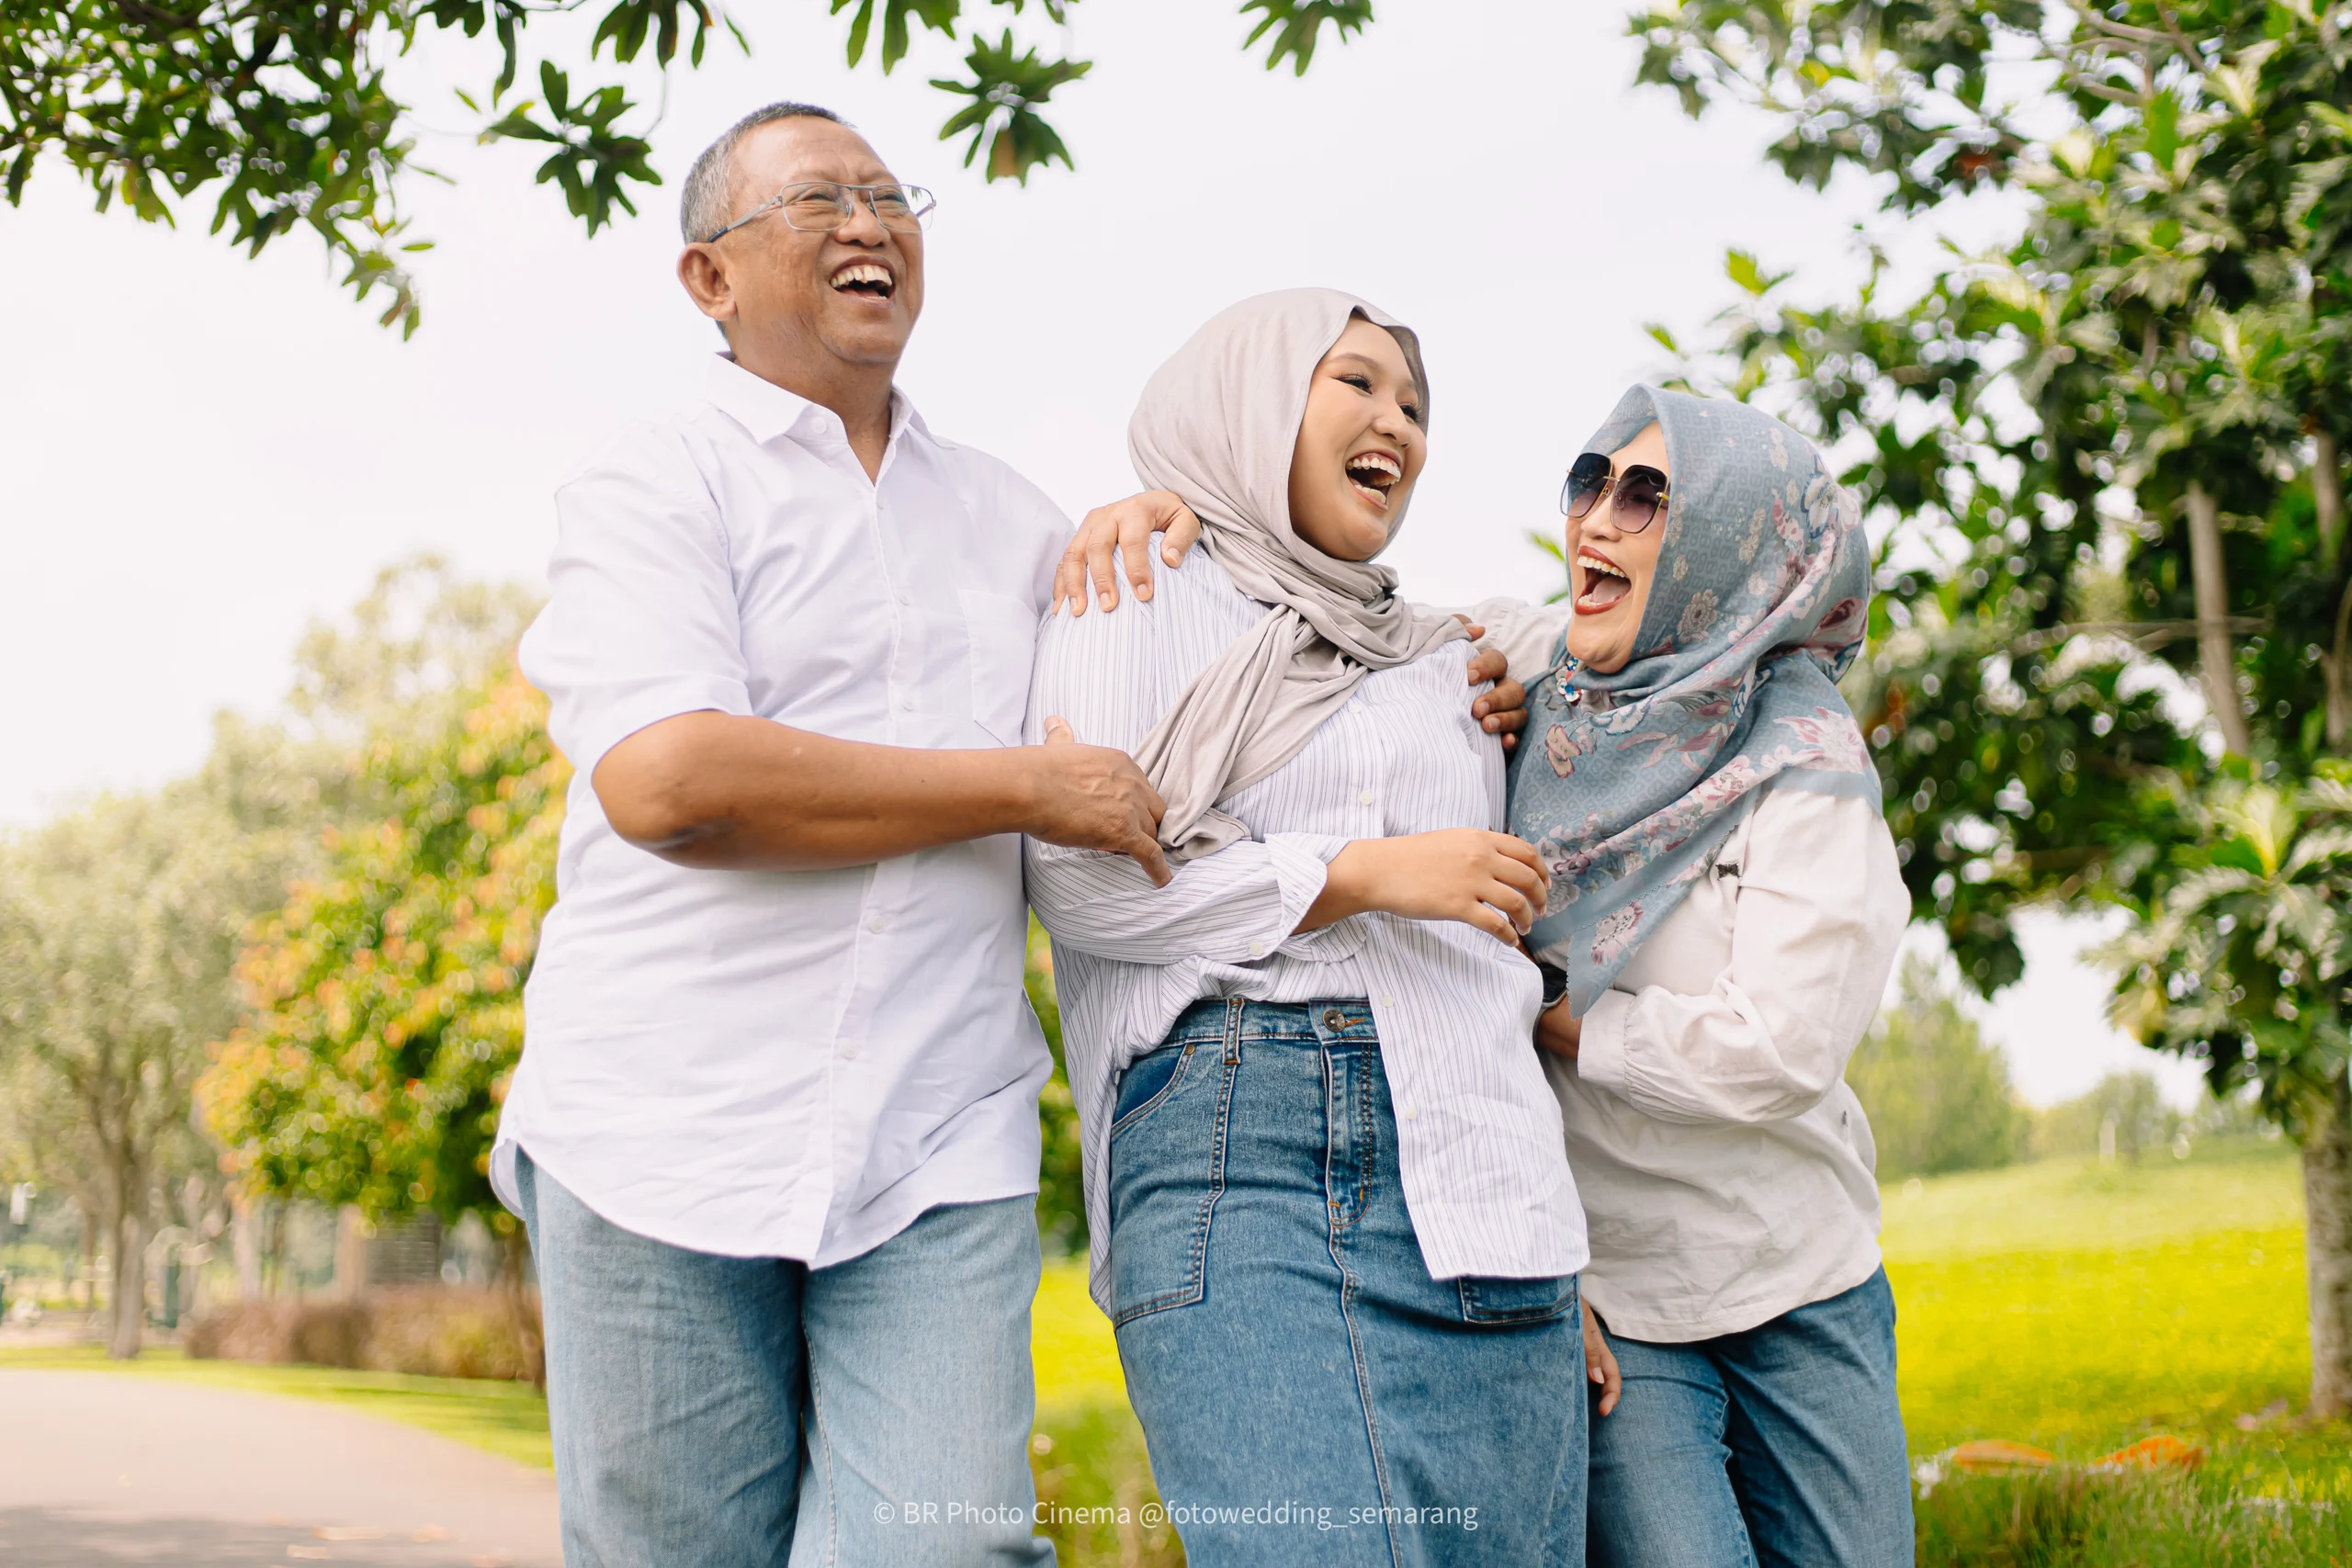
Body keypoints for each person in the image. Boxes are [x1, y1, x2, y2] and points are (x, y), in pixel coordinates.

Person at [495, 98, 1240, 1567]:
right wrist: (1017, 787)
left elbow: (1199, 702)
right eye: (818, 200)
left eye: (893, 196)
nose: (868, 223)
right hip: (662, 1124)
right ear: (709, 276)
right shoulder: (656, 479)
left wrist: (1464, 659)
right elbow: (672, 783)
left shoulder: (1020, 522)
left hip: (931, 1132)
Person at [1025, 290, 1592, 1568]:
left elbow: (1639, 638)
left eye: (1416, 405)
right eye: (1357, 383)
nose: (1398, 421)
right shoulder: (1137, 586)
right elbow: (1093, 883)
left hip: (1491, 1177)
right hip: (1248, 1150)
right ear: (1252, 400)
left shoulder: (1445, 655)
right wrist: (1369, 871)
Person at [1517, 388, 1911, 1568]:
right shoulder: (1528, 681)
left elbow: (1777, 1050)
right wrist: (1153, 515)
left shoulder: (1804, 764)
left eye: (1651, 496)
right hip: (1616, 1298)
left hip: (1795, 1269)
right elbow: (1348, 622)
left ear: (1733, 550)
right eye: (1595, 480)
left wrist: (1558, 1022)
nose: (1600, 516)